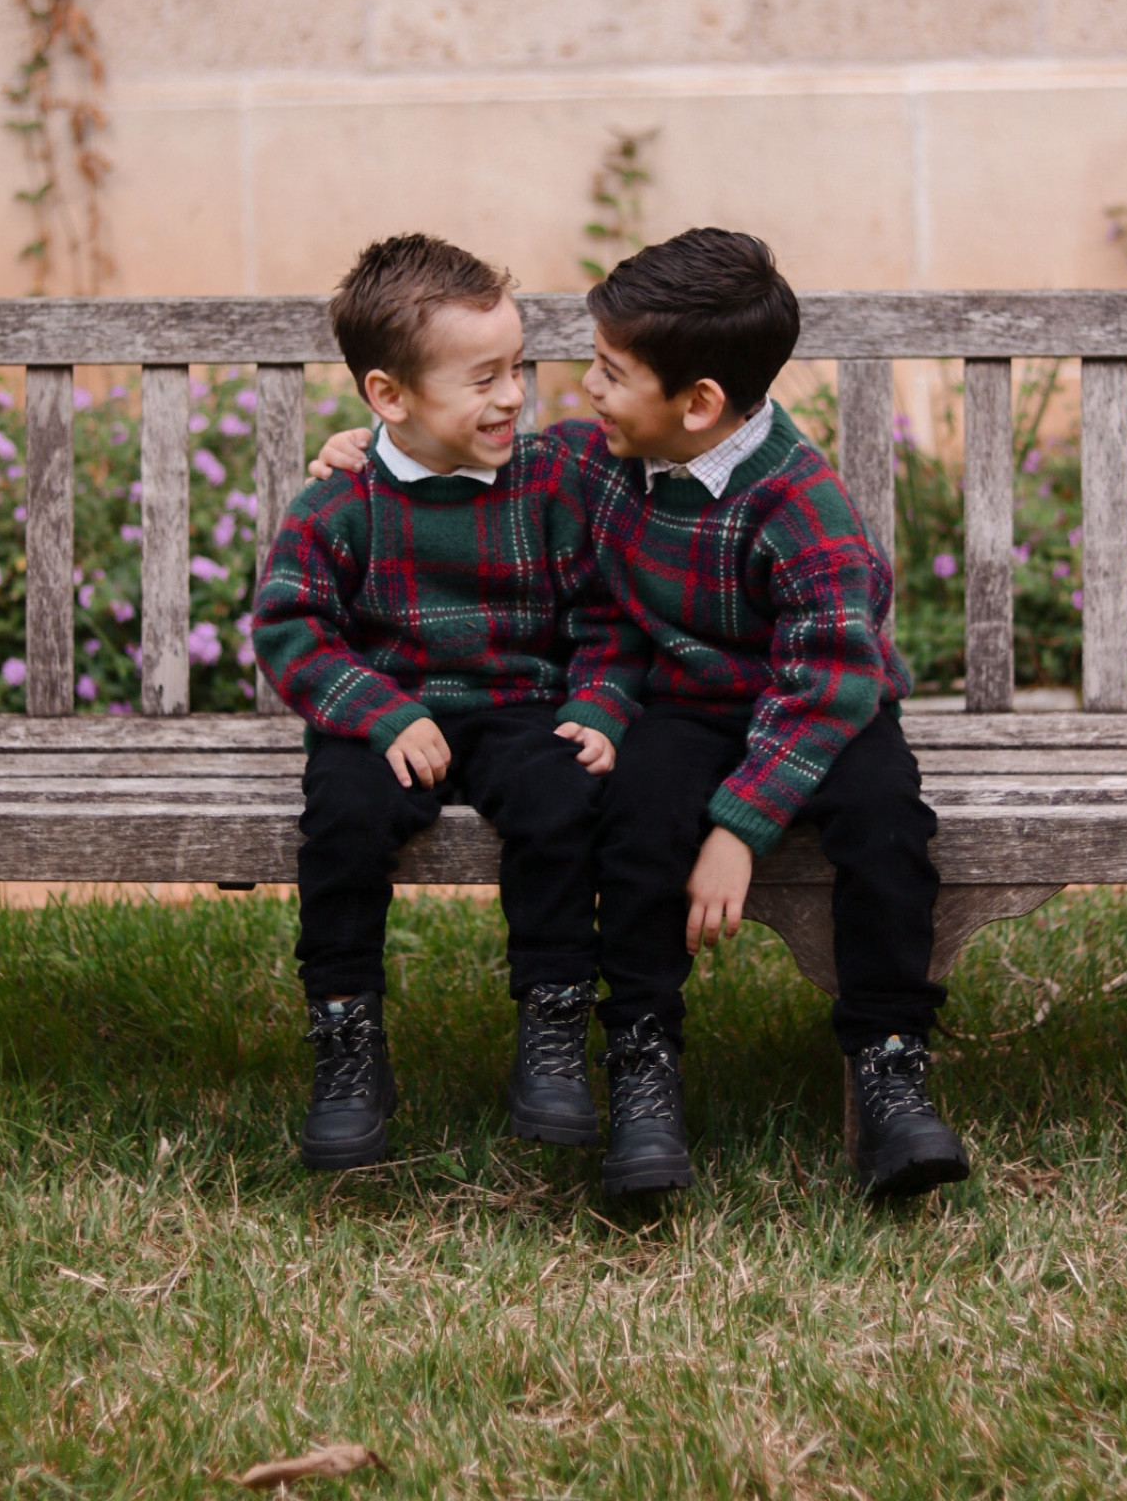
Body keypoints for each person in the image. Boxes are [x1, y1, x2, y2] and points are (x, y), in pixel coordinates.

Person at [310, 229, 968, 1200]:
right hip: (685, 705)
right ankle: (644, 1060)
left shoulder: (803, 503)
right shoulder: (610, 454)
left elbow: (831, 676)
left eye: (610, 373)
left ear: (697, 402)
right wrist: (371, 449)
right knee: (637, 809)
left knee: (885, 820)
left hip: (823, 704)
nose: (586, 391)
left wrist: (740, 828)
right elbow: (471, 443)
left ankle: (888, 1061)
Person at [254, 233, 641, 1171]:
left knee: (560, 807)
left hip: (520, 705)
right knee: (343, 822)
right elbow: (290, 630)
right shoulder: (342, 501)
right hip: (389, 715)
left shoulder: (555, 477)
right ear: (388, 396)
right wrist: (381, 712)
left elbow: (610, 613)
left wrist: (597, 702)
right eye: (482, 379)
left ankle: (552, 1030)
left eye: (516, 370)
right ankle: (348, 1041)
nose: (512, 396)